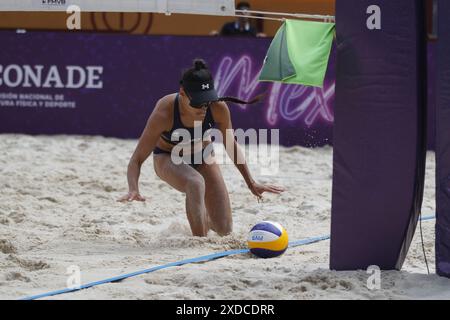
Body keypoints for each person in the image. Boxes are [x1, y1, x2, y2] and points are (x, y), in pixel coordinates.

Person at [118, 59, 284, 237]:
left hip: (203, 156)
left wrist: (251, 182)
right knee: (195, 183)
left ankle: (201, 217)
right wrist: (133, 188)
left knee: (224, 229)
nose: (204, 107)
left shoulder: (218, 108)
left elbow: (231, 145)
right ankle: (199, 241)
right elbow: (136, 159)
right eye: (198, 102)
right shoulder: (165, 111)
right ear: (182, 93)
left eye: (207, 101)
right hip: (168, 157)